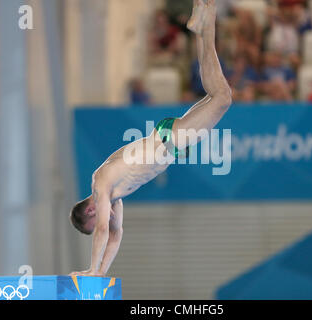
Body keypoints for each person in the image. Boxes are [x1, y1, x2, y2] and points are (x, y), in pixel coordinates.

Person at [69, 0, 232, 277]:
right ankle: (205, 23)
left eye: (100, 220)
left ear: (91, 211)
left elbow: (102, 233)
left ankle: (207, 23)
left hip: (168, 141)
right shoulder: (114, 197)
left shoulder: (101, 184)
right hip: (169, 142)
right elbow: (116, 236)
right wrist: (100, 273)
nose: (107, 223)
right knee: (214, 94)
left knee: (222, 97)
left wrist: (91, 271)